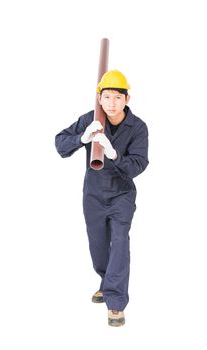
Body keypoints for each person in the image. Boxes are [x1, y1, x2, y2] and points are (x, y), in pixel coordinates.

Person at [55, 70, 149, 327]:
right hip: (93, 194)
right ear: (99, 97)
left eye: (117, 97)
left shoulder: (138, 127)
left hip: (121, 194)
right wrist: (82, 138)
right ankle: (107, 282)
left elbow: (139, 164)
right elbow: (60, 144)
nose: (111, 102)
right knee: (98, 245)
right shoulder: (90, 119)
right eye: (106, 96)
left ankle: (116, 303)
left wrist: (113, 153)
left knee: (119, 242)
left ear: (127, 99)